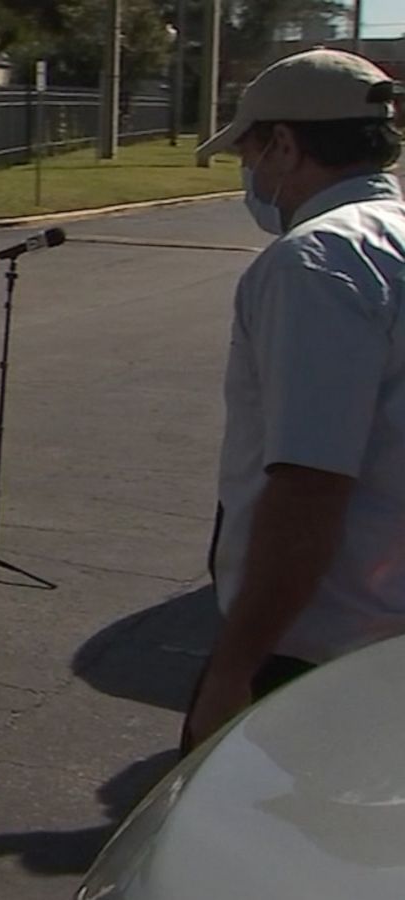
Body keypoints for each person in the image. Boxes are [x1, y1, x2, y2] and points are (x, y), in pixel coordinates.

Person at [184, 48, 405, 750]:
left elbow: (309, 485)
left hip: (315, 651)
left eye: (250, 151)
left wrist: (234, 667)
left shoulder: (315, 262)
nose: (251, 176)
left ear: (284, 143)